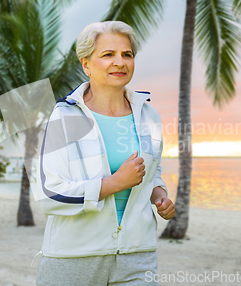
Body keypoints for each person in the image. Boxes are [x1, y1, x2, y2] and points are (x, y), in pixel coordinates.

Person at [33, 21, 175, 285]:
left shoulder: (149, 116)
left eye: (127, 55)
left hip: (137, 256)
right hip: (73, 258)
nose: (119, 62)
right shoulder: (64, 116)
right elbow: (49, 193)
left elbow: (152, 175)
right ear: (86, 64)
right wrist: (113, 184)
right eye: (108, 55)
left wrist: (160, 196)